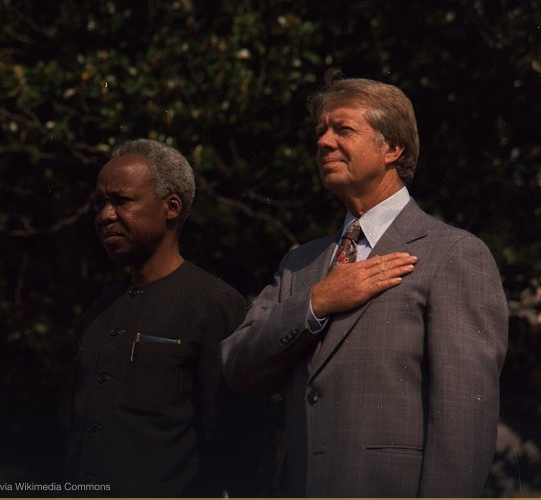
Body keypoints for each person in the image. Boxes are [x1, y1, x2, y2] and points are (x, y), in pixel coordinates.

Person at [220, 76, 509, 497]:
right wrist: (317, 301)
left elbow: (463, 423)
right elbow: (236, 366)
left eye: (342, 129)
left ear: (392, 149)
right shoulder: (301, 265)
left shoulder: (454, 254)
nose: (323, 141)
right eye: (320, 130)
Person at [65, 139, 259, 497]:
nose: (105, 215)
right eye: (100, 204)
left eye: (121, 201)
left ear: (171, 207)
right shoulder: (99, 312)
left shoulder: (213, 305)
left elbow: (237, 443)